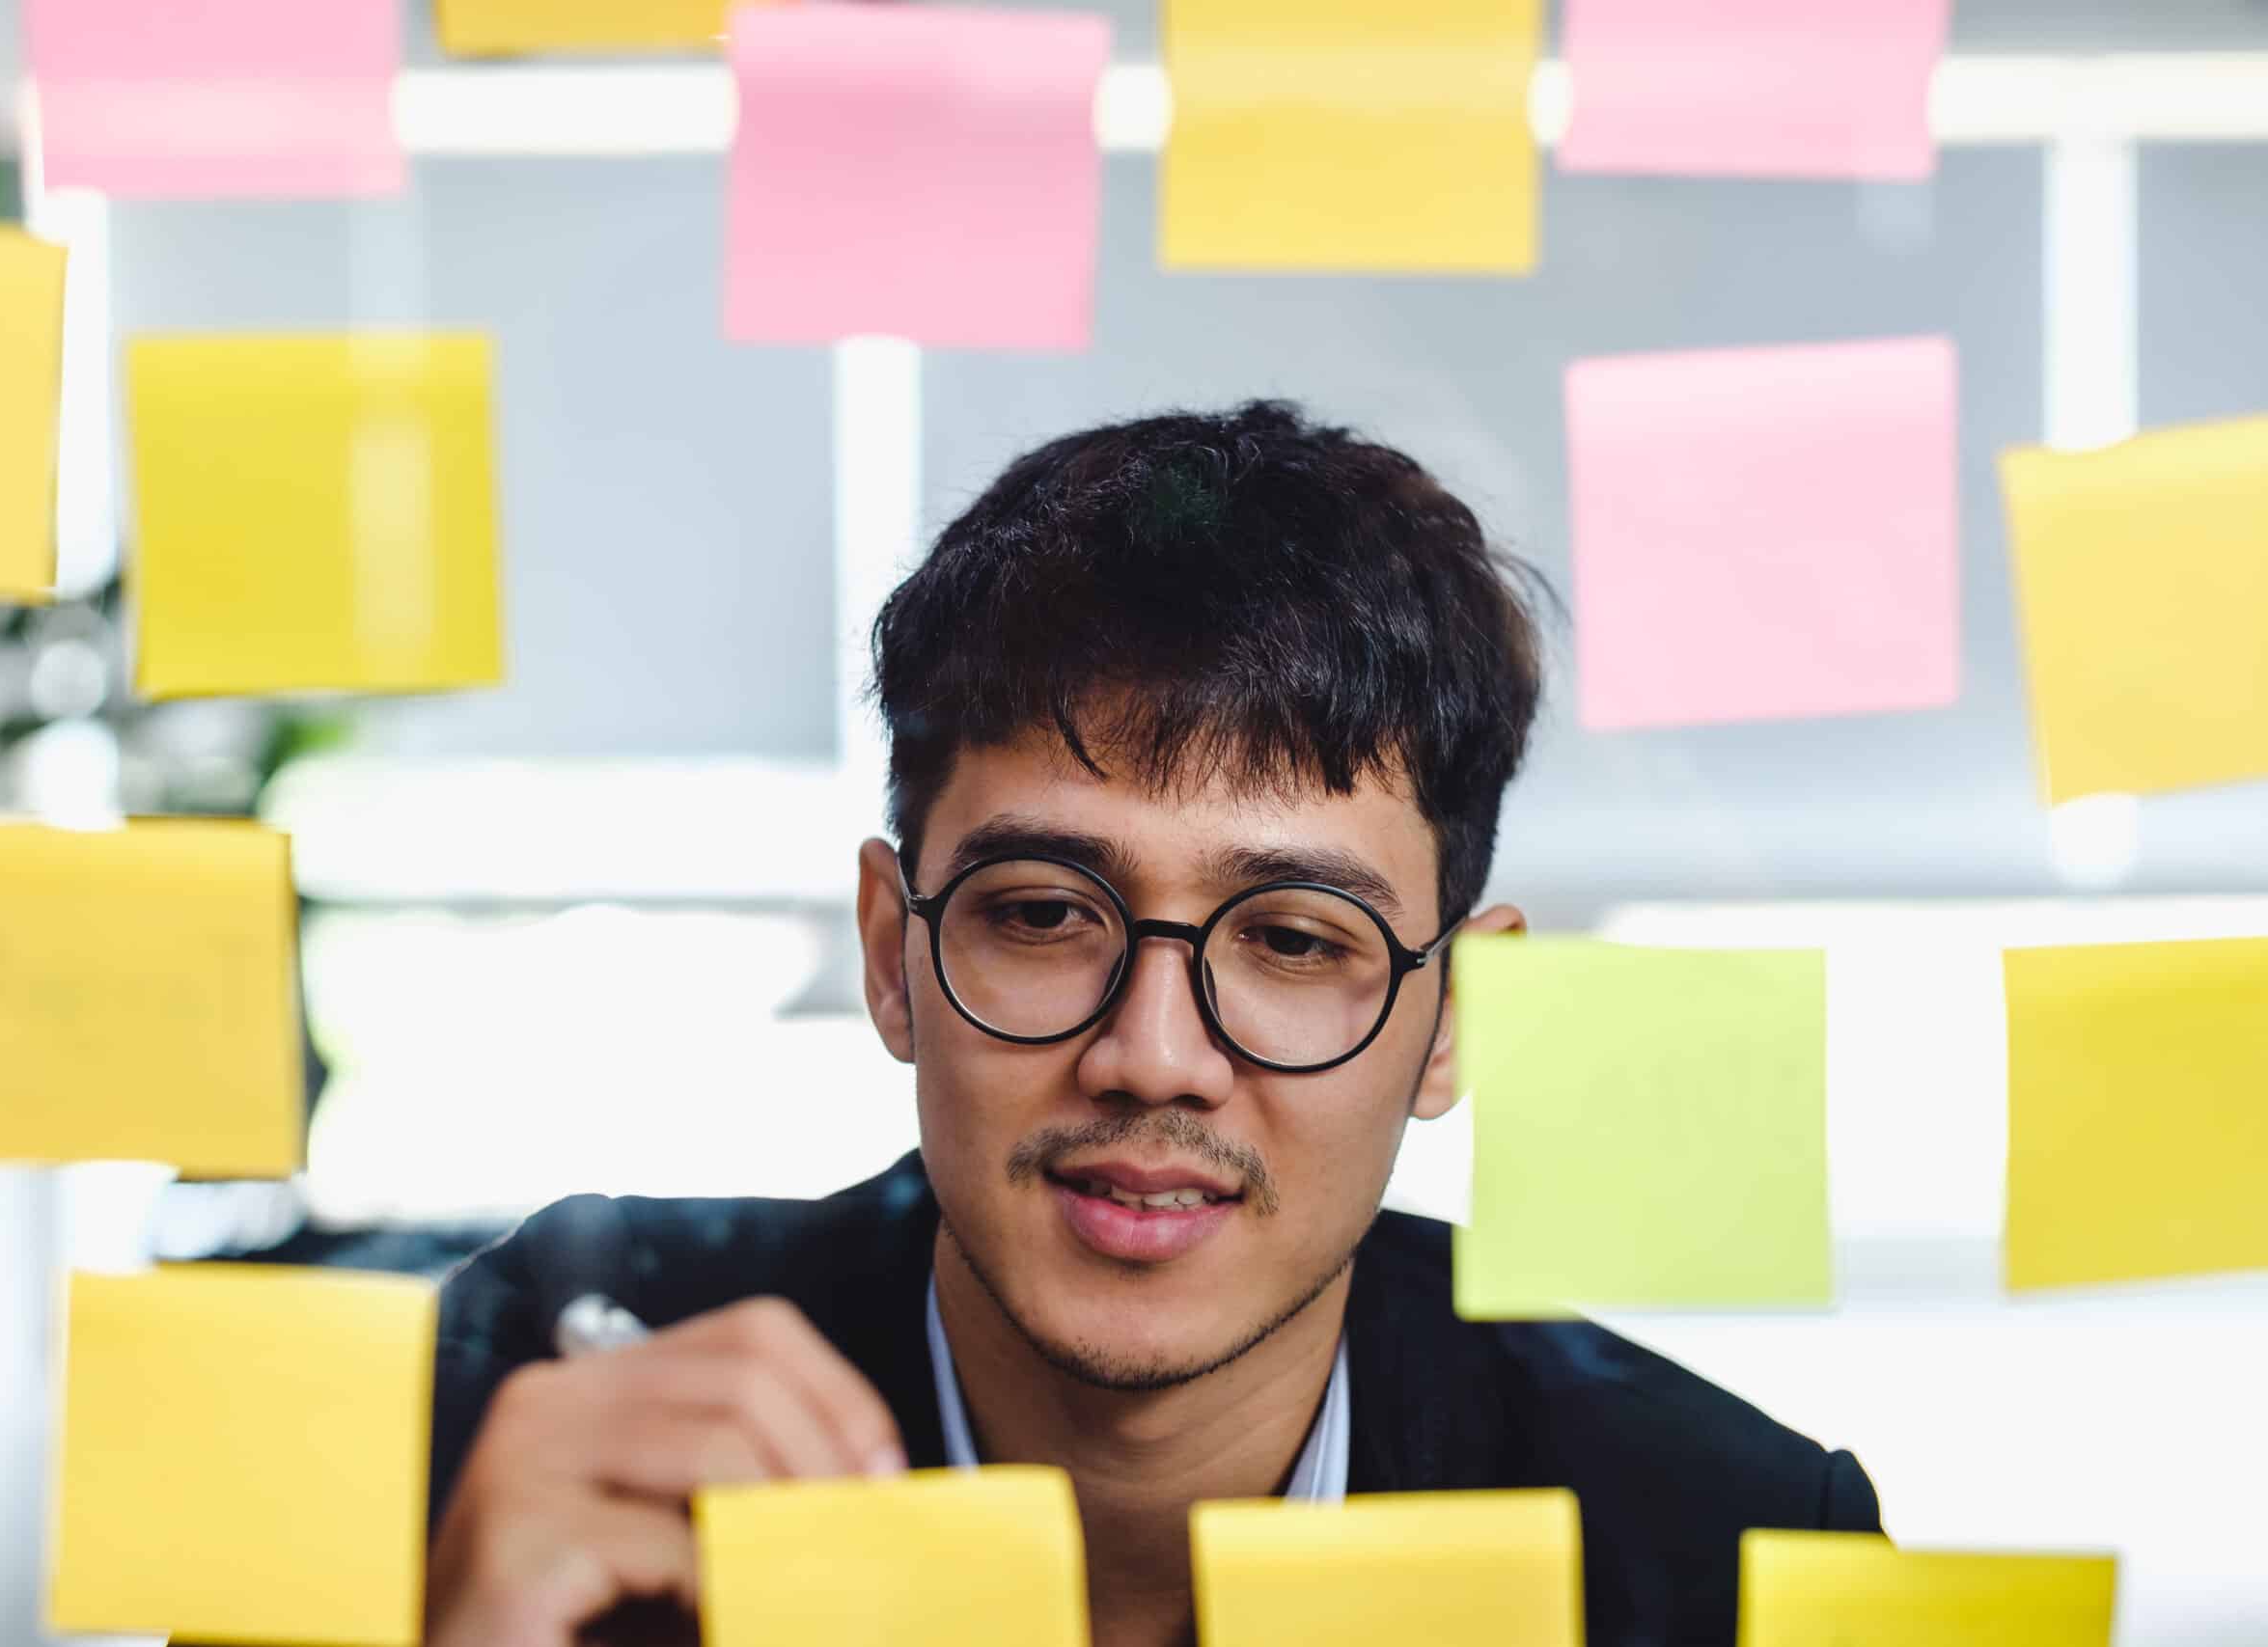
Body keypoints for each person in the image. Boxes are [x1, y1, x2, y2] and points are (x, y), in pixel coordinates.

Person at [421, 402, 1882, 1647]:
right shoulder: (536, 1403)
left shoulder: (1732, 1563)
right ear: (892, 957)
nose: (1154, 1057)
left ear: (1456, 1023)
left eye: (1297, 941)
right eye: (1047, 915)